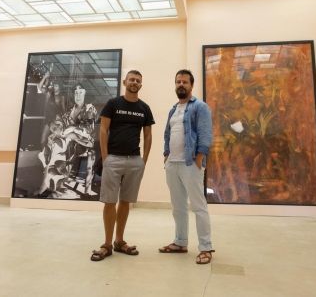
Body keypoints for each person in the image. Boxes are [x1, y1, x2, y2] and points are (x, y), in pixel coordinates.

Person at [90, 70, 154, 262]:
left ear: (141, 85)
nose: (134, 82)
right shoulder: (113, 104)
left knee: (125, 201)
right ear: (125, 82)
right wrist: (105, 156)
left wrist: (144, 161)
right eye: (132, 79)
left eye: (138, 81)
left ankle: (119, 241)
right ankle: (107, 244)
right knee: (110, 202)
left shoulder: (144, 108)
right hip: (114, 159)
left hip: (134, 161)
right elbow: (103, 129)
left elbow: (148, 135)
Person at [158, 69, 215, 264]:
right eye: (178, 82)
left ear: (191, 85)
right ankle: (180, 242)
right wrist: (166, 155)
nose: (181, 85)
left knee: (199, 207)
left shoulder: (200, 107)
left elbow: (206, 134)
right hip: (172, 164)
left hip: (191, 164)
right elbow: (168, 133)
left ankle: (205, 247)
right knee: (178, 207)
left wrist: (199, 157)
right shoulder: (173, 109)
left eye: (184, 82)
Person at [61, 84, 98, 196]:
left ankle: (61, 176)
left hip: (86, 141)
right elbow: (63, 125)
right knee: (62, 141)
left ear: (85, 93)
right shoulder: (70, 110)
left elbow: (88, 129)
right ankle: (60, 176)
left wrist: (72, 128)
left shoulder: (89, 108)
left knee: (67, 138)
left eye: (80, 92)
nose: (78, 95)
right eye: (76, 93)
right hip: (72, 142)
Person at [38, 64, 67, 147]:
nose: (55, 87)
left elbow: (64, 110)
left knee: (55, 140)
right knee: (43, 140)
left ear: (59, 87)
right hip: (49, 120)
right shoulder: (49, 94)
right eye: (54, 85)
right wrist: (44, 77)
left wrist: (62, 121)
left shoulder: (62, 97)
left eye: (57, 85)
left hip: (57, 121)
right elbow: (40, 87)